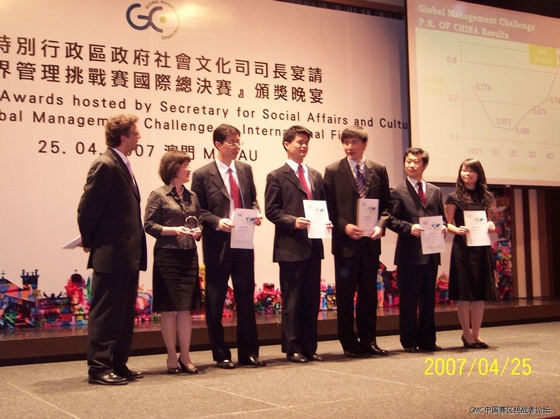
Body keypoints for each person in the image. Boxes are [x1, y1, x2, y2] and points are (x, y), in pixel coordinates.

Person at [77, 114, 147, 385]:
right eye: (135, 133)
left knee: (124, 313)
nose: (139, 137)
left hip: (127, 254)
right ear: (122, 137)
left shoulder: (123, 164)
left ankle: (118, 363)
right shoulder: (105, 164)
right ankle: (98, 368)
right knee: (106, 313)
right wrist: (88, 239)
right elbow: (87, 208)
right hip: (111, 254)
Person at [191, 123, 266, 369]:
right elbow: (198, 210)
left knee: (245, 299)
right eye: (231, 142)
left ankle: (249, 353)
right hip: (218, 245)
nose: (236, 146)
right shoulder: (202, 175)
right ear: (218, 145)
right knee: (215, 301)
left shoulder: (245, 169)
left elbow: (252, 199)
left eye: (238, 141)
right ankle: (221, 353)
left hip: (243, 242)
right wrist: (216, 221)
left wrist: (256, 213)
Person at [324, 125, 392, 358]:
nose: (349, 147)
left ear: (364, 144)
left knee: (369, 295)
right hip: (346, 244)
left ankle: (369, 340)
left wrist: (380, 226)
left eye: (354, 142)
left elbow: (387, 205)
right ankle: (348, 342)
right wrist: (344, 226)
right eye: (346, 142)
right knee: (345, 295)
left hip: (370, 243)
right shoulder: (333, 171)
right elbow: (329, 207)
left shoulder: (378, 169)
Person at [265, 125, 330, 363]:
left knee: (311, 299)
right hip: (290, 247)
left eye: (306, 143)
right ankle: (292, 348)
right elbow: (272, 211)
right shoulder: (276, 176)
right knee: (292, 300)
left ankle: (310, 347)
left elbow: (322, 206)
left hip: (313, 244)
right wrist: (293, 221)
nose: (303, 146)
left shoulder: (315, 176)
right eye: (299, 142)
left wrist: (326, 221)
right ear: (286, 144)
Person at [144, 151, 202, 374]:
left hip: (189, 254)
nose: (189, 170)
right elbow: (149, 225)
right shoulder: (158, 195)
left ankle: (185, 356)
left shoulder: (192, 196)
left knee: (186, 308)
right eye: (185, 165)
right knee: (168, 309)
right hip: (167, 256)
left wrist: (198, 231)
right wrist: (173, 230)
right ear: (174, 168)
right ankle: (171, 356)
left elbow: (199, 220)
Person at [387, 147, 447, 353]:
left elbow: (441, 218)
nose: (411, 165)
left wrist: (444, 227)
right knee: (409, 300)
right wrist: (408, 228)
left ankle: (428, 340)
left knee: (429, 300)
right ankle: (409, 341)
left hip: (431, 252)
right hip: (409, 253)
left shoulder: (435, 190)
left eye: (416, 162)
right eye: (408, 161)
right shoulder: (397, 190)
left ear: (425, 165)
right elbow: (390, 219)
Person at [444, 158, 498, 349]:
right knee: (464, 294)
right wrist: (456, 229)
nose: (467, 174)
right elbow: (446, 224)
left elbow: (488, 220)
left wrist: (490, 225)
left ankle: (476, 334)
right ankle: (466, 334)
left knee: (479, 294)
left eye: (471, 170)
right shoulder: (453, 197)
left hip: (481, 248)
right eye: (464, 170)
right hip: (462, 249)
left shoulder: (486, 197)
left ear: (478, 173)